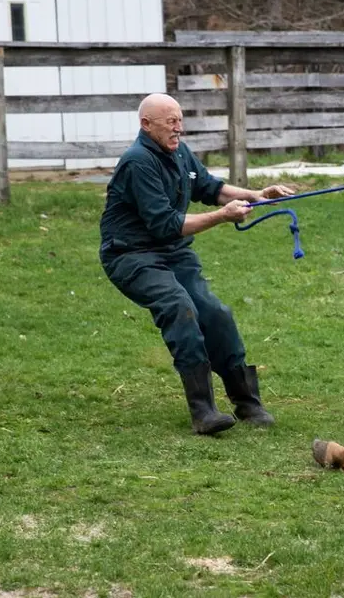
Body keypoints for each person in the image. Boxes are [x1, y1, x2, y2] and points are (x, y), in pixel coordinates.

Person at [98, 93, 295, 435]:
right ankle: (203, 411)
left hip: (173, 253)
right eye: (170, 122)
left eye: (180, 120)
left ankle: (248, 402)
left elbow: (210, 188)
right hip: (130, 255)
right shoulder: (138, 162)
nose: (179, 129)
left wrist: (255, 196)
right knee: (179, 306)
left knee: (215, 312)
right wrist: (222, 216)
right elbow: (165, 224)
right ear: (146, 125)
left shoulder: (179, 152)